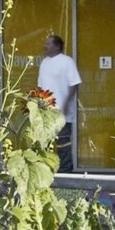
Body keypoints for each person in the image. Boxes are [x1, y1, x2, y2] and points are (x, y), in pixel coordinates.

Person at [36, 33, 83, 171]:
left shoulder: (67, 61)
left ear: (57, 46)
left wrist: (66, 105)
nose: (45, 46)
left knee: (63, 142)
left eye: (48, 43)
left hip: (61, 111)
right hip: (45, 112)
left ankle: (66, 173)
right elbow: (40, 86)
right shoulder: (44, 62)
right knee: (45, 142)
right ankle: (48, 171)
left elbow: (74, 84)